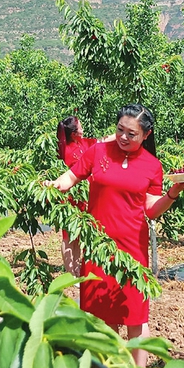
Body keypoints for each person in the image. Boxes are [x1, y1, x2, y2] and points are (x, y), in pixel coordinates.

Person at [45, 104, 184, 367]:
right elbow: (70, 177)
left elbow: (151, 210)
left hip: (131, 251)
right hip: (98, 247)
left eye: (131, 134)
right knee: (100, 317)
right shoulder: (98, 151)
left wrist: (174, 192)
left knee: (135, 317)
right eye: (120, 130)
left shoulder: (152, 166)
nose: (124, 137)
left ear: (146, 135)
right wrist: (50, 187)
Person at [56, 115, 115, 276]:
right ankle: (70, 273)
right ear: (74, 133)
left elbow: (101, 141)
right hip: (70, 197)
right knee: (69, 235)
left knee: (79, 234)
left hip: (83, 195)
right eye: (80, 127)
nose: (83, 129)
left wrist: (120, 134)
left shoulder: (83, 143)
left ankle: (77, 269)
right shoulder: (66, 150)